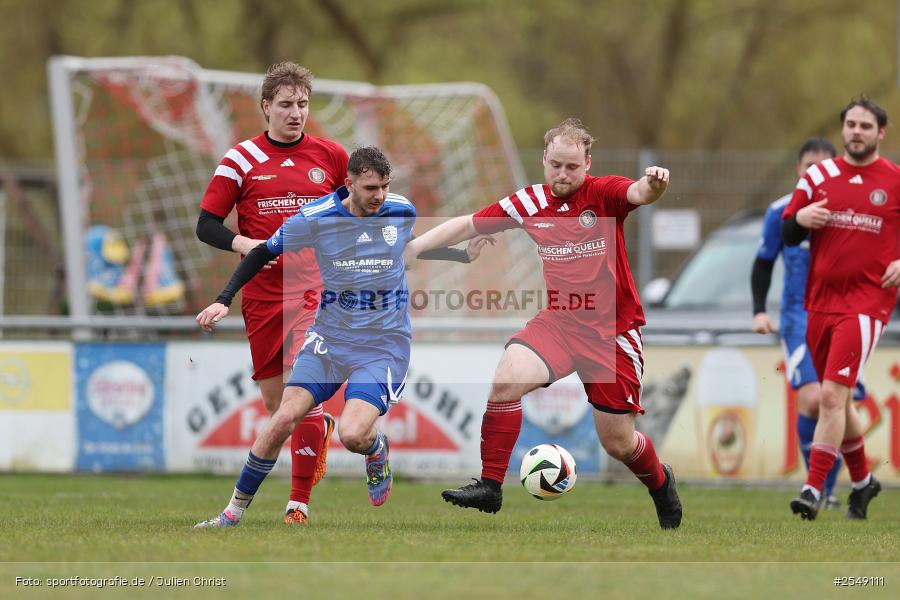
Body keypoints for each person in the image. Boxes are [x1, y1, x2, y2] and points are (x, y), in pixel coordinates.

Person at [404, 118, 683, 529]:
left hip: (612, 331)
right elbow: (467, 223)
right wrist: (416, 246)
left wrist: (656, 184)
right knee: (505, 380)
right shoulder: (530, 202)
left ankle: (661, 483)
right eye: (556, 165)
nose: (563, 174)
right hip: (560, 322)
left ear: (588, 163)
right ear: (544, 161)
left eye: (572, 166)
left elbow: (640, 191)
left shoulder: (603, 195)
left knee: (617, 442)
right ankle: (490, 487)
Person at [193, 146, 491, 528]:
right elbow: (262, 252)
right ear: (348, 184)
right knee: (283, 416)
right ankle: (231, 513)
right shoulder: (315, 218)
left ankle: (375, 446)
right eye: (370, 188)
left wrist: (463, 256)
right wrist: (223, 300)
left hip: (382, 347)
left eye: (384, 186)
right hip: (329, 339)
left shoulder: (398, 210)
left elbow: (410, 249)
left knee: (352, 435)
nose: (379, 196)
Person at [195, 61, 346, 525]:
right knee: (277, 407)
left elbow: (357, 214)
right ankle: (320, 432)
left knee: (305, 392)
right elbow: (205, 226)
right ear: (266, 107)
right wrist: (247, 246)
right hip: (261, 295)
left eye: (302, 104)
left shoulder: (331, 157)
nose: (296, 113)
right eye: (286, 105)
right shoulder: (240, 159)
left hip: (313, 291)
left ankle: (297, 505)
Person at [783, 96, 900, 520]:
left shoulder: (895, 179)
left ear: (880, 133)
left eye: (865, 126)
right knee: (842, 401)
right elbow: (787, 231)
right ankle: (864, 481)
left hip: (868, 304)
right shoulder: (818, 175)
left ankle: (813, 489)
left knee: (831, 395)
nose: (856, 132)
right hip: (821, 303)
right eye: (850, 124)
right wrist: (801, 220)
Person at [752, 137, 851, 509]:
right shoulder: (781, 212)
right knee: (813, 400)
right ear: (799, 169)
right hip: (797, 322)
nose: (817, 172)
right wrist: (759, 310)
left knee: (839, 406)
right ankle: (820, 490)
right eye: (810, 166)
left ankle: (842, 486)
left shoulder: (848, 211)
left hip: (842, 317)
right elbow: (763, 261)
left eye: (824, 166)